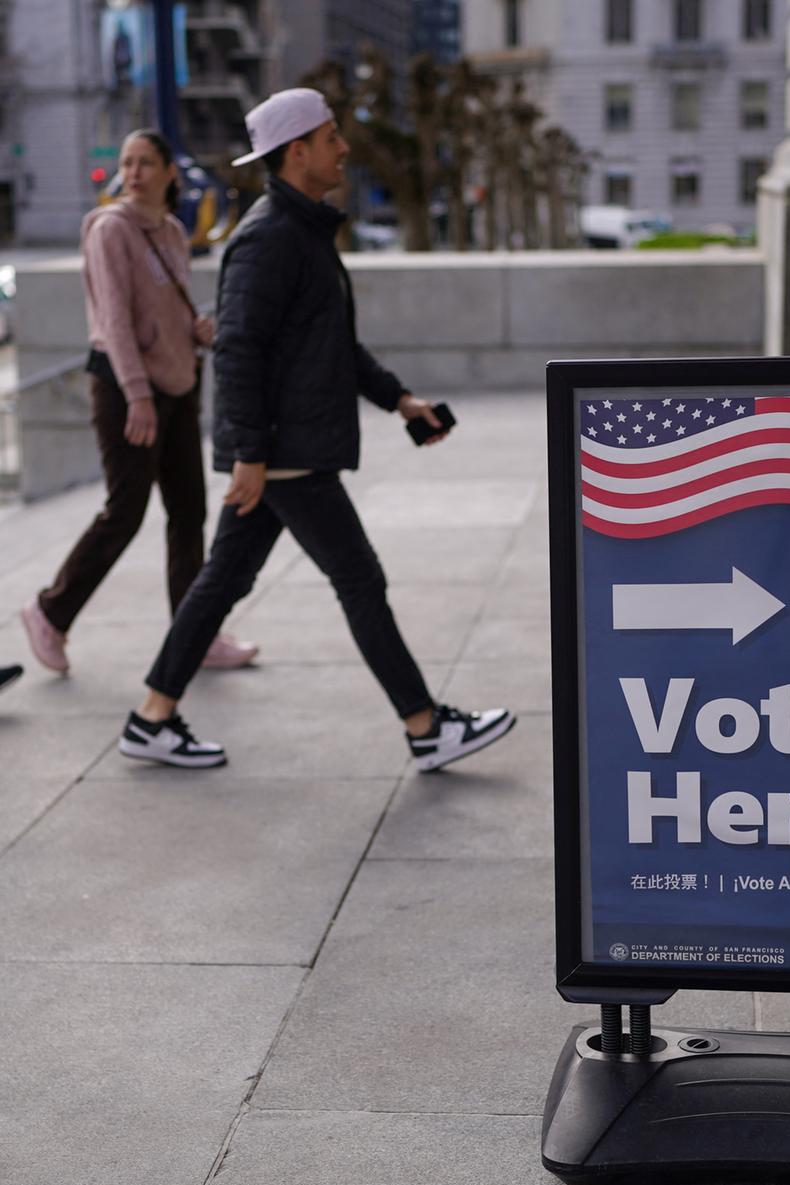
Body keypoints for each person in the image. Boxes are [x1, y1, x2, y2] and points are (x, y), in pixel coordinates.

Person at [117, 89, 515, 772]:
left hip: (279, 450)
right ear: (297, 151)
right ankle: (425, 727)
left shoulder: (301, 232)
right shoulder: (269, 238)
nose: (344, 148)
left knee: (222, 581)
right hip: (283, 452)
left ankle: (152, 717)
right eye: (332, 137)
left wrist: (401, 401)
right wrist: (252, 453)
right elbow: (238, 349)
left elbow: (331, 347)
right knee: (359, 578)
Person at [20, 129, 258, 675]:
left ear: (169, 172)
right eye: (127, 163)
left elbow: (158, 307)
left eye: (145, 163)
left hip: (177, 384)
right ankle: (50, 612)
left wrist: (193, 327)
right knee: (125, 512)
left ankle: (194, 631)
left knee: (190, 512)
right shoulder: (110, 231)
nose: (133, 173)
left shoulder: (173, 232)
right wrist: (136, 396)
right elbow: (114, 321)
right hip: (128, 390)